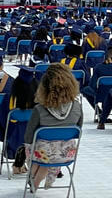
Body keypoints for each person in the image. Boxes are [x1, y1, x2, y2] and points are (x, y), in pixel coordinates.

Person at [24, 63, 83, 191]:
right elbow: (78, 130)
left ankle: (33, 180)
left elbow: (29, 136)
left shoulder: (39, 109)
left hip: (42, 154)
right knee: (49, 149)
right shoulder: (77, 107)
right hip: (66, 154)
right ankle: (37, 180)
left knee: (39, 149)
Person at [0, 66, 38, 174]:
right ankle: (23, 161)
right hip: (34, 137)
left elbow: (3, 119)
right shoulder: (38, 102)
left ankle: (19, 160)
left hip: (12, 135)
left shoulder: (9, 97)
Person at [82, 46, 112, 112]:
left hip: (101, 94)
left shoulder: (99, 67)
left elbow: (93, 85)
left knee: (85, 90)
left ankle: (99, 112)